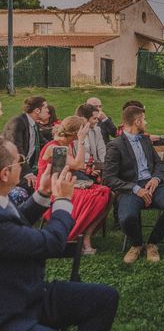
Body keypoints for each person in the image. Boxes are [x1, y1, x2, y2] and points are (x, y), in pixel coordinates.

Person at [0, 138, 119, 330]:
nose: (23, 165)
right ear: (5, 173)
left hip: (30, 293)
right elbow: (52, 242)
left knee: (105, 297)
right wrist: (63, 201)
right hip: (11, 310)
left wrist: (44, 193)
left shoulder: (2, 197)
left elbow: (18, 219)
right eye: (19, 160)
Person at [103, 106, 164, 264]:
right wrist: (136, 189)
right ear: (137, 122)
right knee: (126, 218)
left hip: (153, 184)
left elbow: (159, 165)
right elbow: (109, 178)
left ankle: (152, 243)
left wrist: (156, 179)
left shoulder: (145, 140)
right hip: (130, 188)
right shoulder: (115, 145)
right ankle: (136, 244)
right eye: (144, 119)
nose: (146, 122)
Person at [37, 116, 111, 254]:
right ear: (77, 132)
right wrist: (82, 140)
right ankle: (79, 237)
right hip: (52, 190)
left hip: (65, 184)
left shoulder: (68, 144)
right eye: (84, 128)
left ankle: (86, 235)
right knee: (94, 196)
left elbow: (78, 166)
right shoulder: (55, 147)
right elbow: (78, 164)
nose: (87, 129)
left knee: (107, 192)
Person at [3, 96, 49, 203]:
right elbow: (16, 150)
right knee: (33, 185)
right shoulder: (18, 122)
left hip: (26, 168)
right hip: (10, 169)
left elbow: (44, 143)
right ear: (37, 110)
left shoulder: (34, 124)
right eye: (46, 107)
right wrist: (28, 173)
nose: (48, 110)